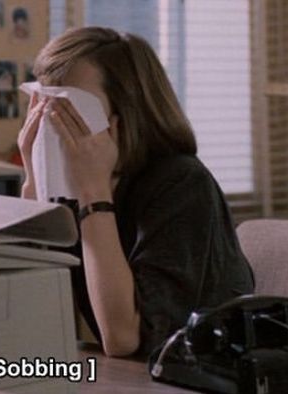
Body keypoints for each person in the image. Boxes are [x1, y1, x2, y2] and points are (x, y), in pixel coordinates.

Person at [17, 27, 255, 358]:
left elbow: (124, 340)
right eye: (45, 106)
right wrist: (35, 180)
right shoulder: (75, 187)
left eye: (71, 109)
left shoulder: (182, 184)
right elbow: (29, 320)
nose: (56, 123)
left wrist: (94, 194)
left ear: (127, 114)